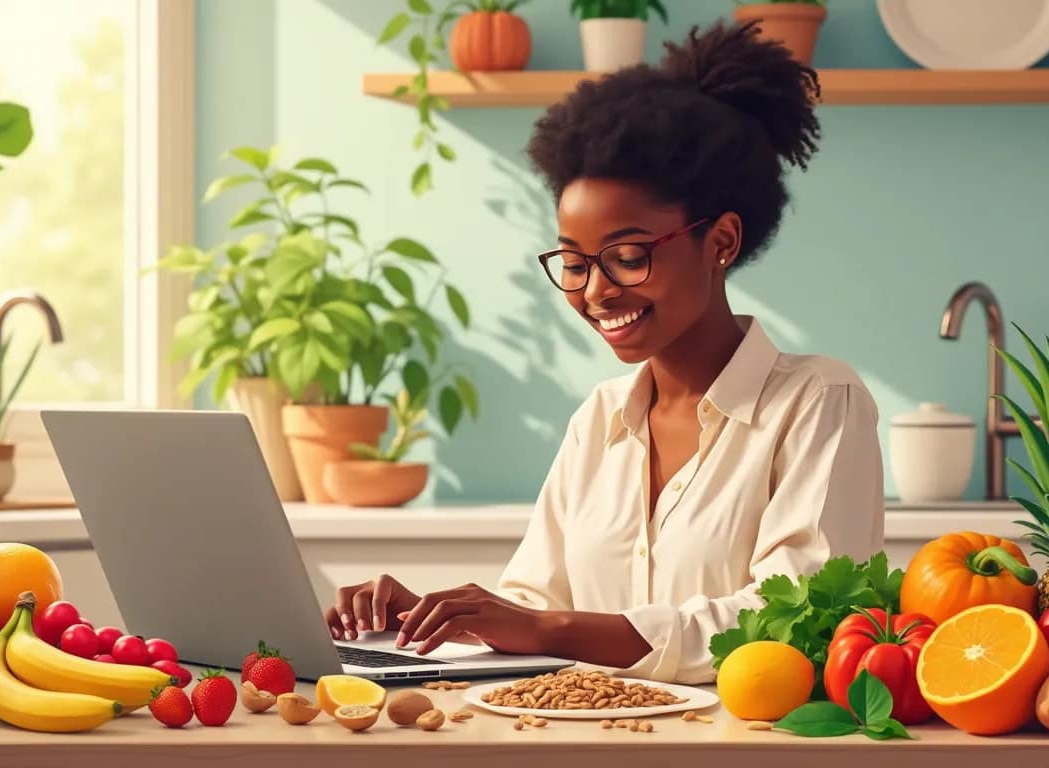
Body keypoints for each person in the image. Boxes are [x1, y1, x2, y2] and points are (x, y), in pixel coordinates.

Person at [325, 21, 885, 684]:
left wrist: (545, 628)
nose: (594, 291)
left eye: (627, 256)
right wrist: (433, 621)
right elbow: (536, 610)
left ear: (721, 242)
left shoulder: (818, 403)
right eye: (572, 261)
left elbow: (797, 620)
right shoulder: (600, 418)